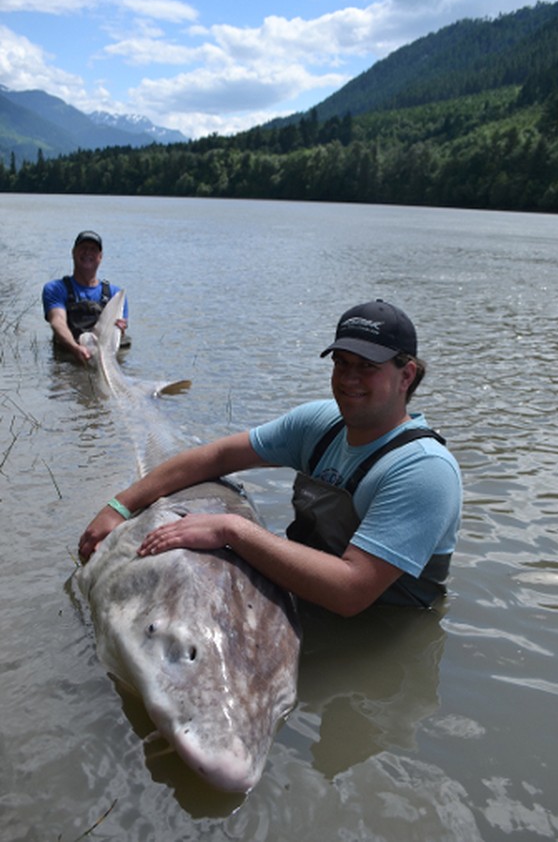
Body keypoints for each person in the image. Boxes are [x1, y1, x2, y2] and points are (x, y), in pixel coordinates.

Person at [78, 300, 462, 616]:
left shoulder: (424, 470)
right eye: (341, 363)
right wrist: (120, 505)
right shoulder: (320, 424)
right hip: (306, 600)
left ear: (406, 375)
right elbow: (217, 456)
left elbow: (351, 591)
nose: (348, 379)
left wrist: (232, 529)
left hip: (380, 633)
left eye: (367, 367)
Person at [42, 230, 129, 363]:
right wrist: (75, 347)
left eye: (93, 249)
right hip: (70, 354)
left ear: (100, 257)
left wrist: (120, 328)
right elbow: (57, 321)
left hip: (104, 357)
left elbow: (119, 331)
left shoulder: (115, 295)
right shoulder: (55, 288)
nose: (88, 252)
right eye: (83, 248)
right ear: (73, 252)